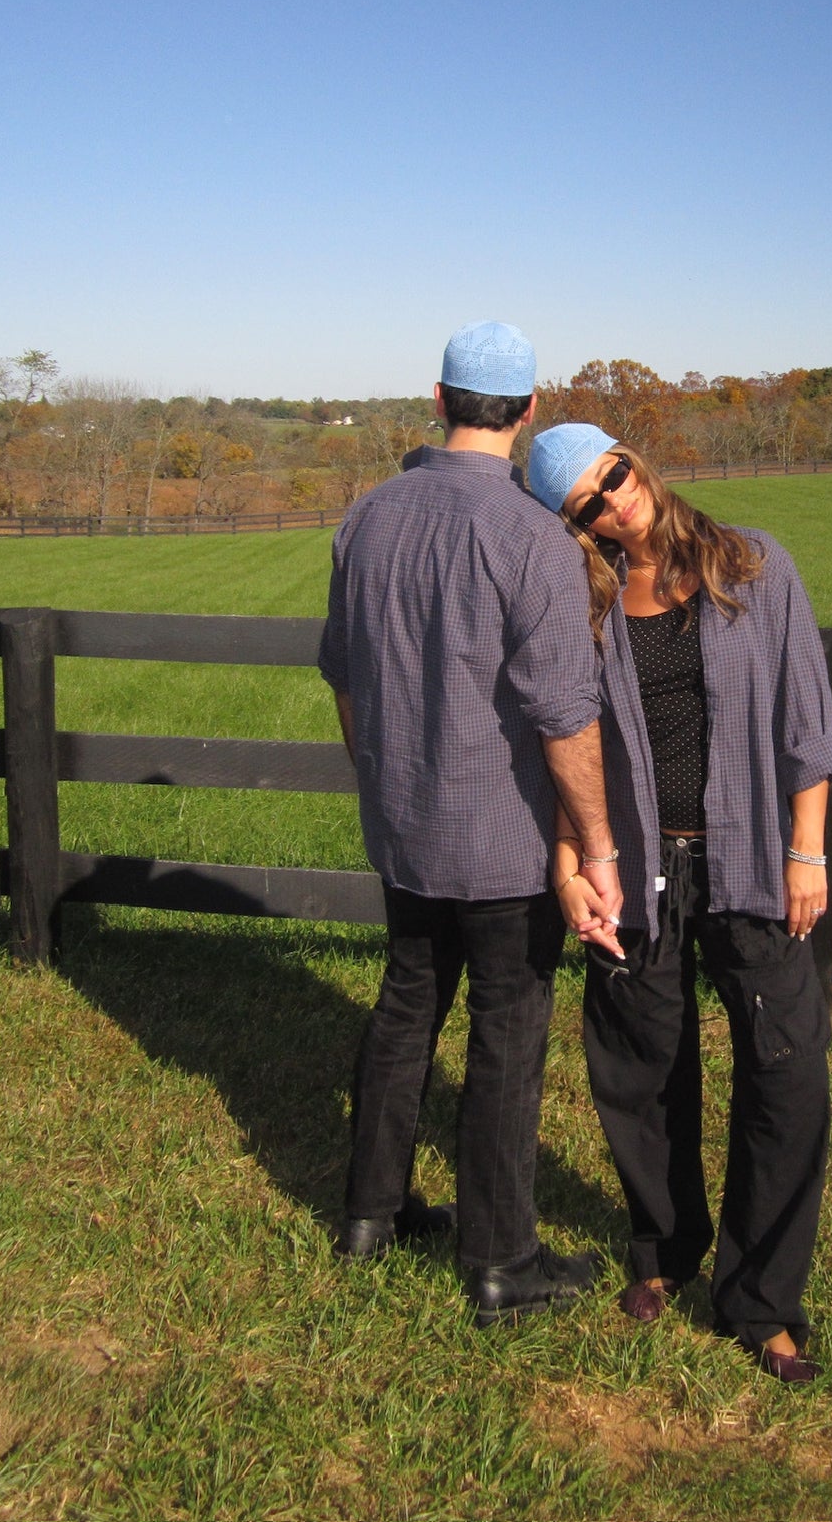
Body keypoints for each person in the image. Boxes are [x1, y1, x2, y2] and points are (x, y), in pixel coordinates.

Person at [526, 423, 832, 1383]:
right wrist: (571, 858)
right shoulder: (581, 601)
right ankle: (661, 1250)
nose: (611, 500)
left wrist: (805, 849)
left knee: (785, 1071)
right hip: (635, 868)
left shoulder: (750, 564)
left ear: (637, 461)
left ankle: (760, 1299)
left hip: (751, 859)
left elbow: (806, 717)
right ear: (571, 523)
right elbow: (561, 739)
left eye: (613, 475)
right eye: (585, 501)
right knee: (640, 1064)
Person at [318, 325, 626, 1326]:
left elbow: (345, 680)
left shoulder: (365, 519)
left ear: (440, 397)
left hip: (403, 824)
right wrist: (597, 841)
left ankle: (370, 1212)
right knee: (505, 1035)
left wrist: (376, 777)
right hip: (501, 841)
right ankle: (500, 1262)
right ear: (528, 410)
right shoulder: (530, 534)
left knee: (406, 1004)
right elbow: (563, 715)